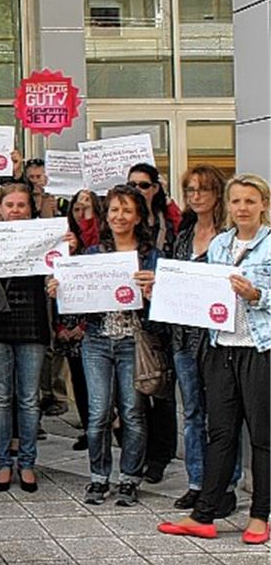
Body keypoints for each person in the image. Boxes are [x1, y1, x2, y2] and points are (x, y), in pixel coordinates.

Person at [159, 174, 271, 544]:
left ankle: (260, 516)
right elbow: (197, 288)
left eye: (250, 201)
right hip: (219, 346)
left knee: (262, 435)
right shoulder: (221, 243)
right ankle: (204, 514)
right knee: (219, 431)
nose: (242, 208)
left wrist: (257, 294)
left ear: (264, 205)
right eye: (237, 201)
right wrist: (161, 290)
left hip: (259, 349)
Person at [48, 185, 159, 507]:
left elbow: (163, 310)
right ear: (105, 215)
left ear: (138, 216)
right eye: (113, 210)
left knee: (133, 413)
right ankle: (98, 477)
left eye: (126, 210)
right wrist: (60, 291)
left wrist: (152, 291)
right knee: (97, 414)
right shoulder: (93, 255)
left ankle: (129, 478)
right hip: (96, 341)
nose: (119, 216)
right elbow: (76, 307)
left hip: (134, 343)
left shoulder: (152, 256)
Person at [0, 183, 66, 493]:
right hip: (0, 328)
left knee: (28, 399)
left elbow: (61, 277)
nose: (15, 211)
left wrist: (67, 250)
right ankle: (2, 462)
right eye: (9, 205)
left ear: (31, 208)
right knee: (1, 398)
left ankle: (27, 462)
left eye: (21, 205)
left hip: (34, 326)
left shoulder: (44, 237)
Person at [167, 165, 241, 511]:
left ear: (218, 194)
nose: (196, 196)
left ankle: (225, 484)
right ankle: (197, 481)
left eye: (203, 190)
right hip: (184, 338)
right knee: (193, 412)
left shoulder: (229, 236)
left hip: (217, 338)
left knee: (222, 415)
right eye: (191, 190)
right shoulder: (182, 235)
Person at [127, 162, 178, 484]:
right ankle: (140, 453)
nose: (137, 190)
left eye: (144, 185)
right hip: (127, 318)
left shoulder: (168, 224)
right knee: (133, 395)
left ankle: (160, 456)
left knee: (161, 391)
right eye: (132, 184)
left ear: (155, 188)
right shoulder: (120, 220)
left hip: (160, 318)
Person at [56, 189, 104, 451]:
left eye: (87, 208)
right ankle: (88, 428)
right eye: (77, 209)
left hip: (92, 325)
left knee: (97, 382)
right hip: (69, 321)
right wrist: (62, 326)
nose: (82, 214)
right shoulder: (64, 242)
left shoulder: (99, 243)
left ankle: (105, 427)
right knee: (79, 382)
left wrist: (84, 327)